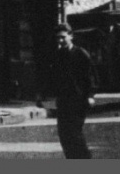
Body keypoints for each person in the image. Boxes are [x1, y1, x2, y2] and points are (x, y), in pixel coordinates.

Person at [37, 23, 95, 159]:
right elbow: (51, 77)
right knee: (64, 135)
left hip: (79, 99)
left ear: (71, 36)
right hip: (63, 100)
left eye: (63, 37)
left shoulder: (81, 54)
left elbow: (91, 76)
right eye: (58, 38)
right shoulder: (58, 55)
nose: (60, 41)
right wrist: (42, 95)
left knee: (74, 134)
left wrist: (90, 95)